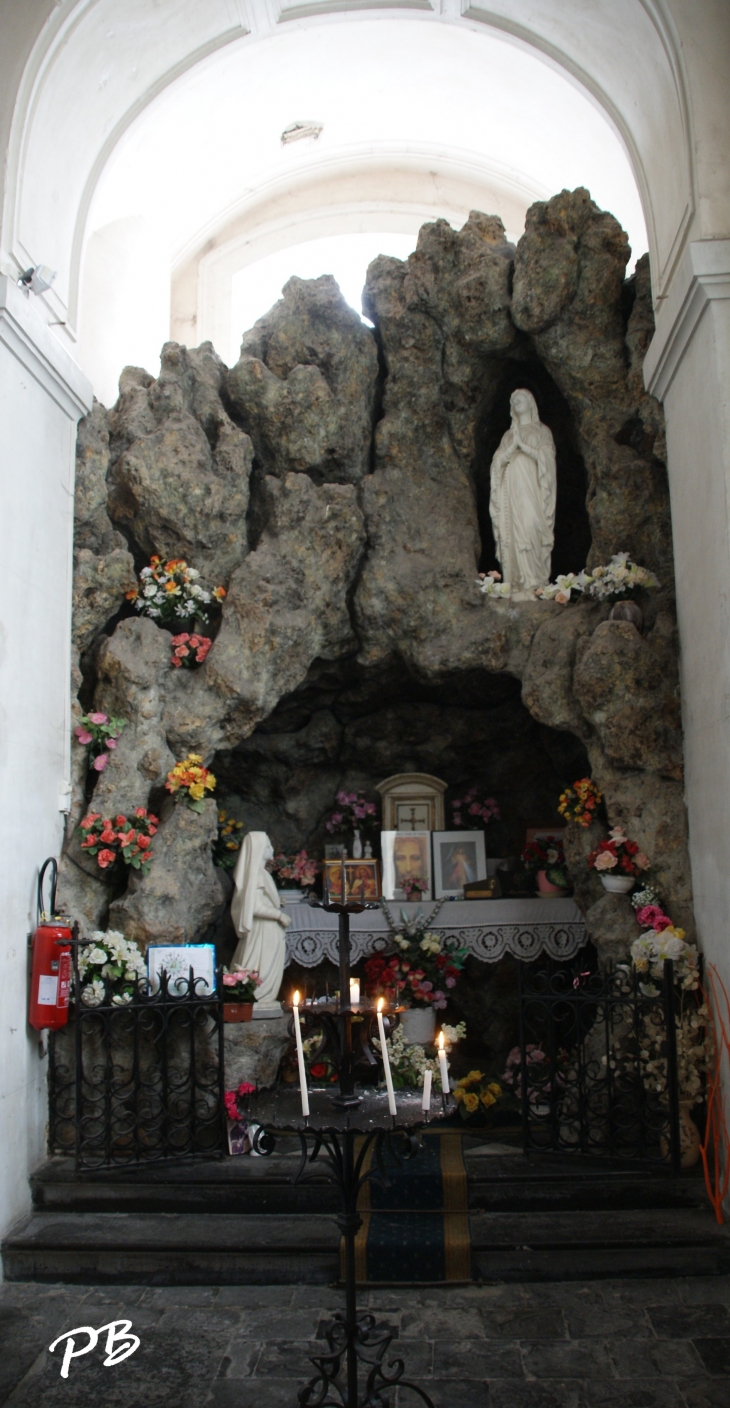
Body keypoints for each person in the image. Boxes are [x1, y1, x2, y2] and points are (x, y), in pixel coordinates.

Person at [489, 389, 557, 594]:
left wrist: (524, 448)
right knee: (512, 531)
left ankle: (535, 582)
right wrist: (511, 449)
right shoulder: (508, 436)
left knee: (531, 525)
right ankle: (516, 582)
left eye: (521, 399)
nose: (516, 401)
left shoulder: (541, 431)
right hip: (511, 491)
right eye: (513, 400)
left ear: (531, 403)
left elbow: (548, 459)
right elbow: (496, 464)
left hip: (532, 491)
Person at [230, 832, 291, 1016]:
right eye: (268, 846)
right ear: (258, 850)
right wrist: (278, 915)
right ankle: (256, 995)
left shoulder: (260, 873)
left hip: (267, 930)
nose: (271, 850)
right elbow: (255, 907)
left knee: (263, 964)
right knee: (260, 965)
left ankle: (259, 995)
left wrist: (275, 901)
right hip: (263, 931)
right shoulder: (257, 875)